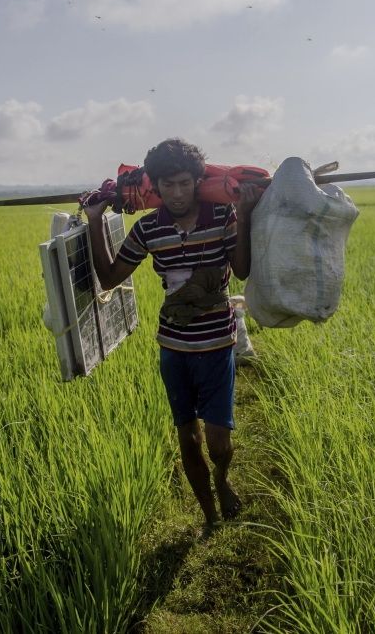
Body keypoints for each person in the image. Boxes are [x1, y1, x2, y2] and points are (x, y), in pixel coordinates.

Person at [84, 138, 260, 532]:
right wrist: (94, 222)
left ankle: (221, 478)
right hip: (173, 347)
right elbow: (111, 277)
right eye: (167, 185)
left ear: (198, 181)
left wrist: (243, 214)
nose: (177, 193)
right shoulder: (149, 227)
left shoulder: (221, 217)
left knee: (218, 443)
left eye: (184, 183)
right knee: (189, 438)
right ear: (155, 185)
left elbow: (243, 271)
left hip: (217, 344)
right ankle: (209, 516)